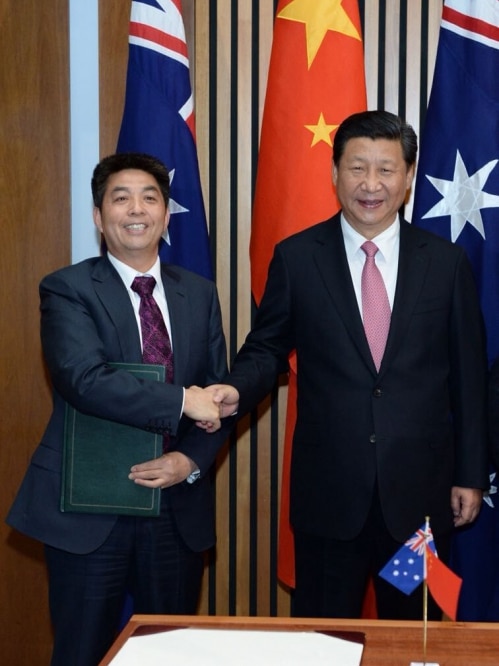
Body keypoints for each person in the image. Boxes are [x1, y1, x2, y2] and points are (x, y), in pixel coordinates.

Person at [206, 110, 489, 620]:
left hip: (419, 503)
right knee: (325, 637)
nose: (371, 184)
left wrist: (470, 473)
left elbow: (469, 378)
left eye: (386, 169)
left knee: (414, 636)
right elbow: (267, 350)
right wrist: (234, 391)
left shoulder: (445, 263)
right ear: (335, 174)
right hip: (329, 501)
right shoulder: (297, 258)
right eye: (357, 168)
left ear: (407, 178)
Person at [6, 153, 229, 666]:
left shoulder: (198, 294)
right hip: (89, 513)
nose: (136, 209)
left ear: (166, 214)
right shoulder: (67, 288)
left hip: (176, 513)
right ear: (98, 215)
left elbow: (214, 398)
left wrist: (190, 462)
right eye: (120, 197)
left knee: (169, 654)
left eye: (150, 197)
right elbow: (83, 379)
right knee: (81, 652)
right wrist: (181, 400)